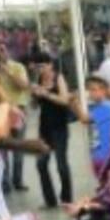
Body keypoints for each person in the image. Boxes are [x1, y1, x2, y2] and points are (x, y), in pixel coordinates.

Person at [29, 52, 74, 209]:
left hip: (59, 126)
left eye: (43, 66)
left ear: (50, 65)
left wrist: (46, 93)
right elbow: (34, 106)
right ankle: (50, 199)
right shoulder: (39, 80)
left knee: (61, 164)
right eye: (38, 66)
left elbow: (64, 100)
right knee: (41, 163)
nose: (41, 69)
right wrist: (34, 94)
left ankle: (67, 198)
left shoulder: (58, 78)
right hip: (45, 127)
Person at [0, 37, 31, 193]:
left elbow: (24, 86)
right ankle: (5, 183)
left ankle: (18, 180)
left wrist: (7, 71)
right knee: (2, 150)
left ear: (7, 51)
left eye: (2, 49)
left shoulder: (18, 67)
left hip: (17, 111)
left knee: (18, 147)